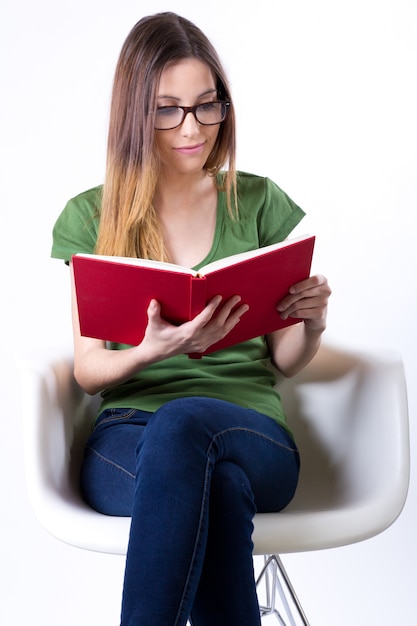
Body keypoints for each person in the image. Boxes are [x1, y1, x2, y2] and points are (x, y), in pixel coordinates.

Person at [51, 12, 331, 626]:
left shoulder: (256, 202)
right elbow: (90, 371)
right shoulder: (90, 218)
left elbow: (283, 361)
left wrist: (311, 324)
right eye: (167, 109)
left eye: (208, 106)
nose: (192, 128)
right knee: (221, 492)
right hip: (127, 439)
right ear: (134, 114)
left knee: (191, 431)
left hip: (250, 428)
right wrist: (152, 350)